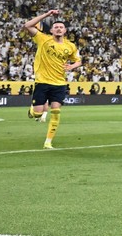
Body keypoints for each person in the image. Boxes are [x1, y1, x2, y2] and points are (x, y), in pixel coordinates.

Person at [20, 9, 81, 149]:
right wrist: (47, 15)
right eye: (56, 27)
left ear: (65, 30)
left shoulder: (70, 46)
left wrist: (72, 66)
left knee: (56, 111)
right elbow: (27, 25)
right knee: (37, 113)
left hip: (59, 83)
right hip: (42, 81)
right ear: (52, 30)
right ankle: (32, 111)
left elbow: (78, 61)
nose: (59, 29)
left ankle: (48, 142)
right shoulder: (43, 39)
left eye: (61, 27)